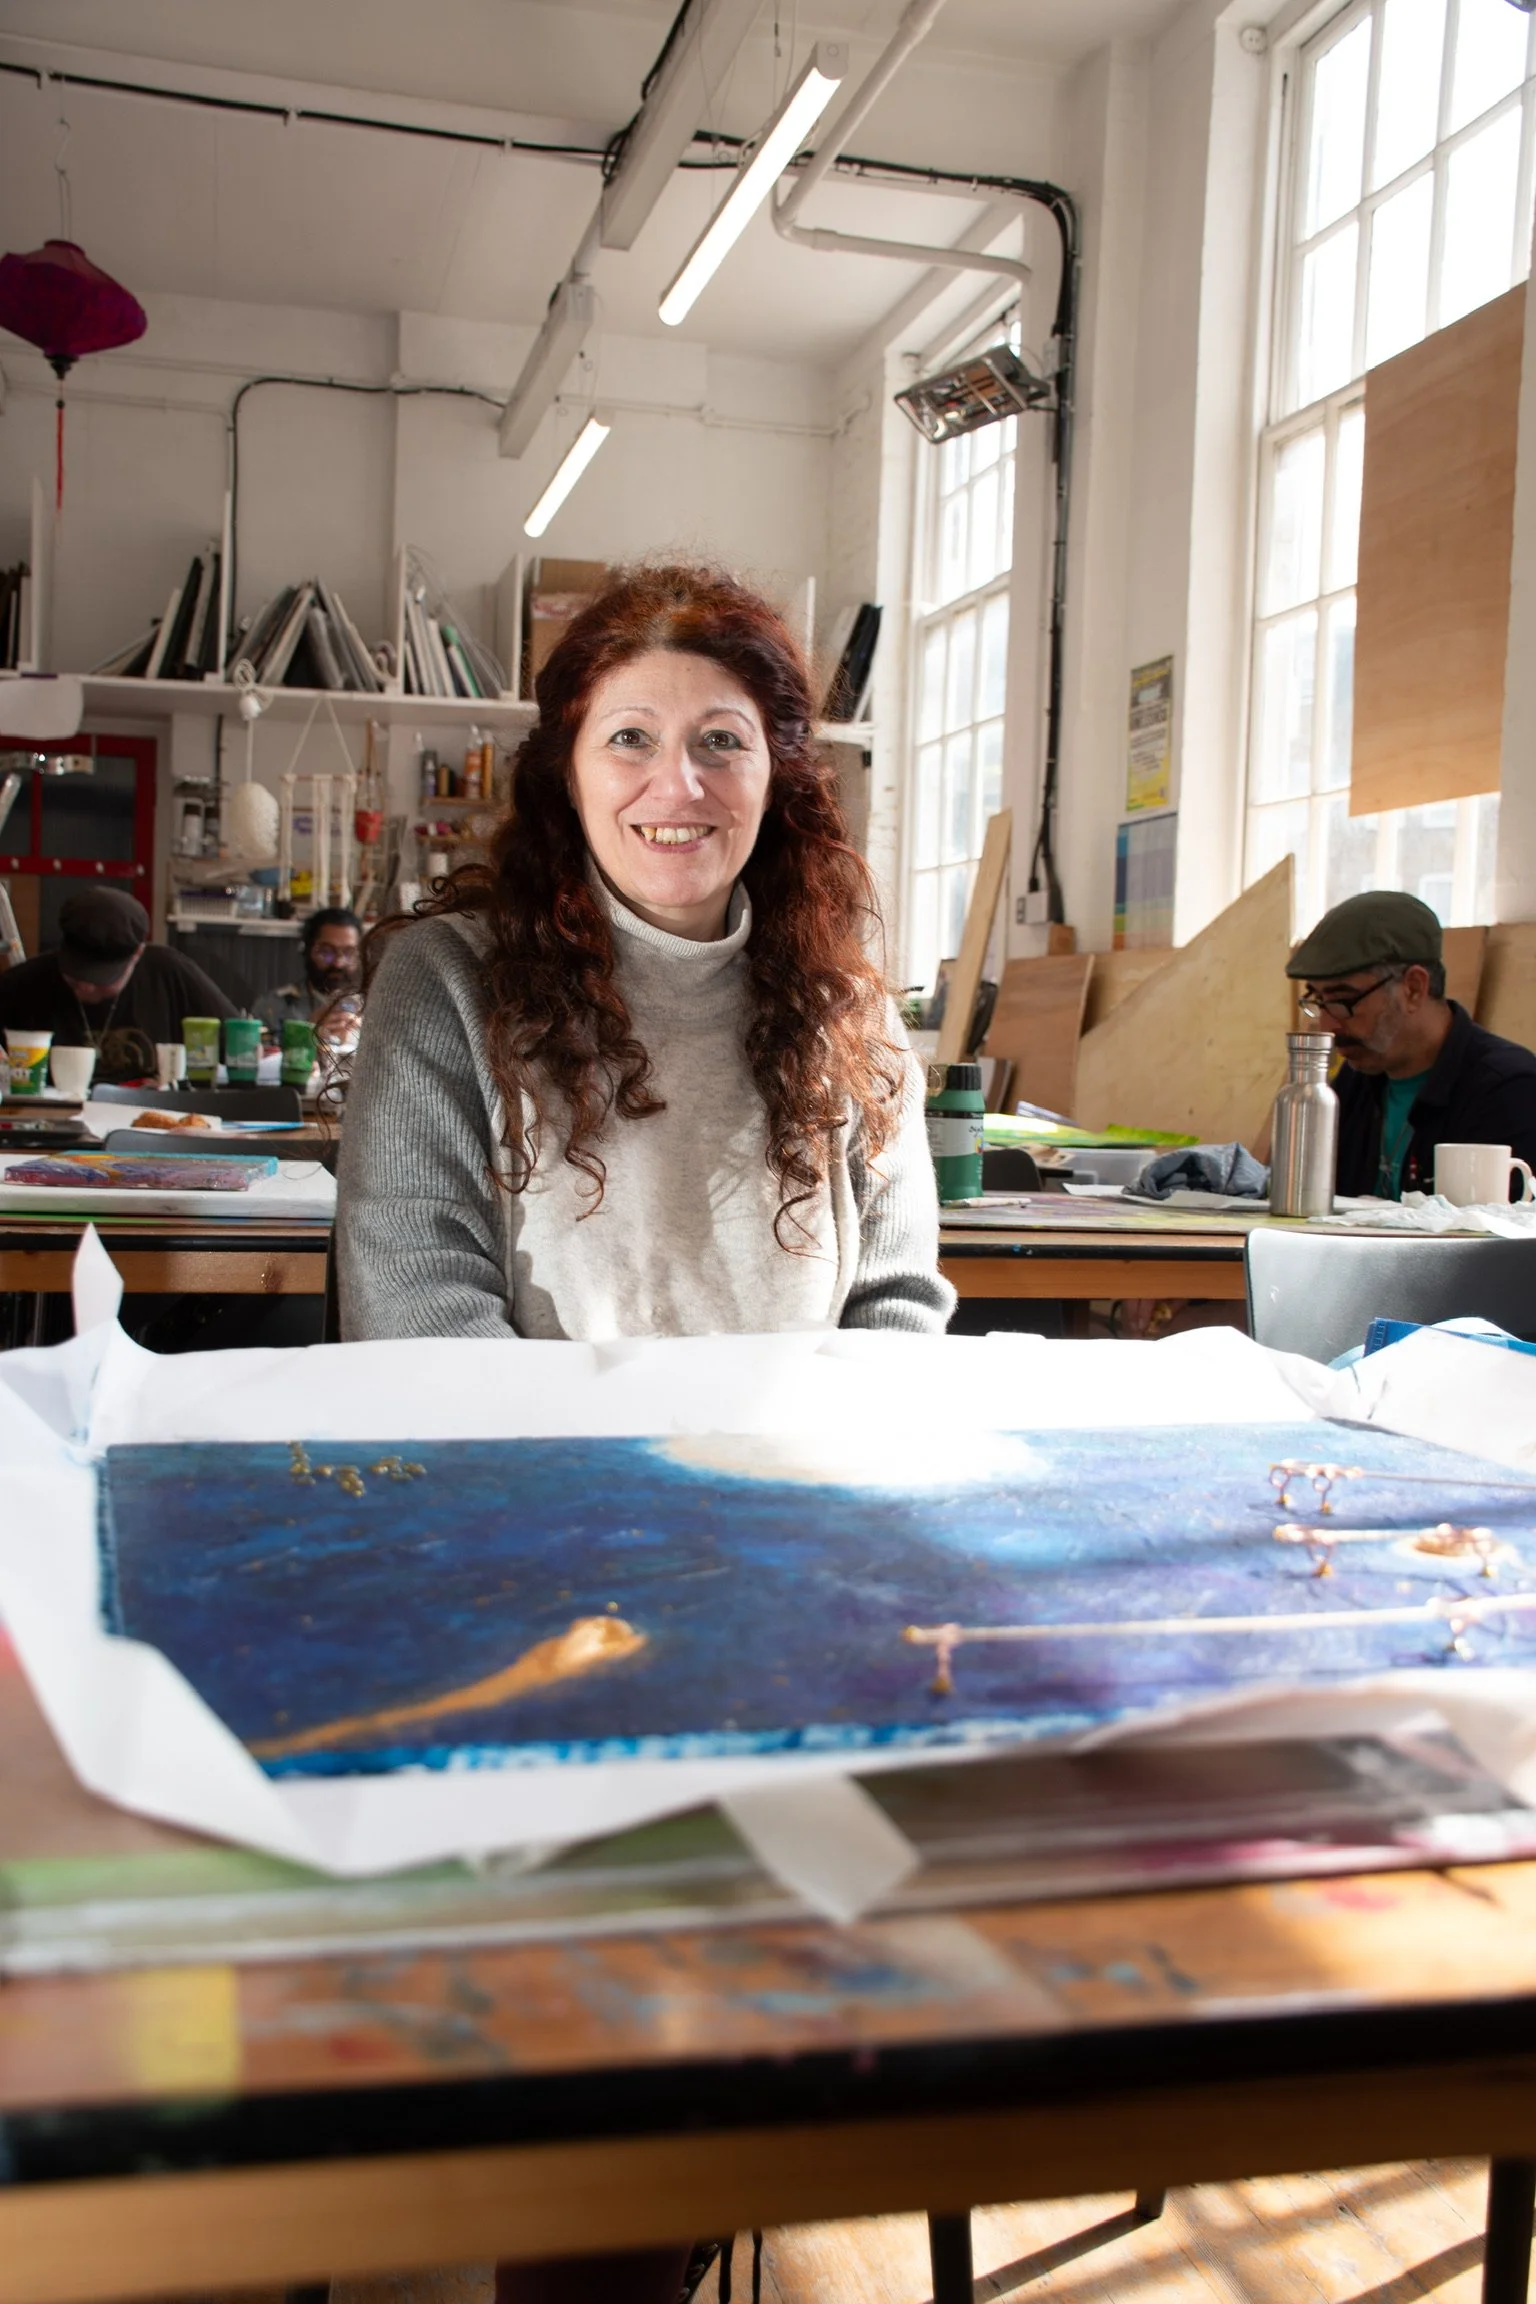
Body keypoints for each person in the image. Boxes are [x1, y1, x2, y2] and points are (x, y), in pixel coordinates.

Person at [338, 562, 953, 1348]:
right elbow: (415, 1305)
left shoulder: (847, 1012)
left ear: (775, 777)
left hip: (792, 1429)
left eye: (721, 741)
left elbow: (894, 1302)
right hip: (528, 1432)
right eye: (631, 738)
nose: (679, 785)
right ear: (568, 774)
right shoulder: (449, 981)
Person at [1285, 890, 1536, 1197]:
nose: (1328, 1026)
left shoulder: (1509, 1089)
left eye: (1343, 1001)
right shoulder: (1354, 1082)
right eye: (1318, 1000)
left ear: (1414, 988)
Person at [0, 887, 237, 1085]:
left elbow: (240, 1045)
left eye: (99, 979)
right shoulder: (22, 984)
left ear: (137, 954)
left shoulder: (170, 973)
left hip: (152, 1118)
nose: (85, 987)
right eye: (75, 974)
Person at [255, 907, 363, 1033]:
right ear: (306, 950)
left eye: (349, 953)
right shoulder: (273, 1006)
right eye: (326, 952)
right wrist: (307, 1032)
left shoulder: (373, 1006)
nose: (338, 963)